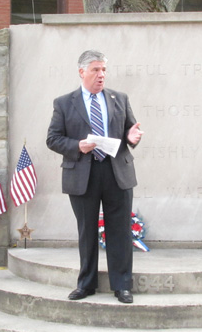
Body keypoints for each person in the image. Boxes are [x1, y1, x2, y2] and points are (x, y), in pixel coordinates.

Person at [47, 50, 144, 304]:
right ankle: (86, 284)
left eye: (104, 70)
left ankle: (122, 285)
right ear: (82, 72)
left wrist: (132, 138)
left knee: (120, 231)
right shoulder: (64, 103)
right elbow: (53, 139)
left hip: (116, 173)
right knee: (87, 231)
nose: (101, 75)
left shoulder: (119, 98)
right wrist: (78, 145)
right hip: (82, 173)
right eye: (95, 70)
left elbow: (130, 131)